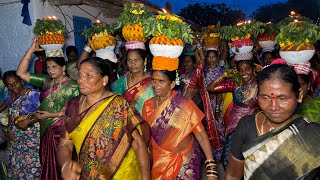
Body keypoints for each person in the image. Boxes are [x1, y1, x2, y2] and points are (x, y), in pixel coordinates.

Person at [57, 57, 150, 179]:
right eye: (80, 75)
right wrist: (66, 164)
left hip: (123, 174)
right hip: (89, 175)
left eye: (89, 75)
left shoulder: (119, 105)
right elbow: (64, 144)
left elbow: (138, 144)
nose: (81, 80)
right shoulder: (73, 106)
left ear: (104, 80)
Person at [225, 63, 320, 179]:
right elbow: (232, 175)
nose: (273, 107)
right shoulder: (247, 125)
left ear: (299, 95)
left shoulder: (313, 135)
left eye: (282, 98)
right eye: (265, 98)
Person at [16, 37, 80, 179]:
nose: (50, 71)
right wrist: (31, 50)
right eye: (48, 67)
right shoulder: (46, 82)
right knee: (48, 165)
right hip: (46, 132)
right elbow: (20, 73)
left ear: (63, 68)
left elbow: (73, 112)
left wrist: (49, 116)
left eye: (54, 67)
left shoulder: (74, 86)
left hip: (63, 134)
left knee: (63, 165)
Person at [207, 54, 259, 168]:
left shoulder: (259, 84)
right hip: (236, 124)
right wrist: (224, 75)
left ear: (253, 69)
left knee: (252, 157)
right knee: (228, 156)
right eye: (240, 70)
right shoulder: (234, 83)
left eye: (247, 69)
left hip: (254, 123)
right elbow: (210, 88)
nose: (244, 73)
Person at [0, 71, 41, 179]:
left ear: (21, 81)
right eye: (9, 85)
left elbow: (42, 114)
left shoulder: (33, 95)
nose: (13, 86)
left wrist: (28, 121)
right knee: (16, 169)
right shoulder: (11, 96)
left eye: (15, 83)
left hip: (32, 141)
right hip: (16, 142)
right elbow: (10, 115)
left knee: (32, 170)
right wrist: (9, 130)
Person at [113, 46, 154, 115]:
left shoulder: (153, 82)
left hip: (147, 123)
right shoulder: (122, 81)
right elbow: (116, 104)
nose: (132, 64)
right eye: (129, 60)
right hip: (126, 122)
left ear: (145, 61)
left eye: (136, 60)